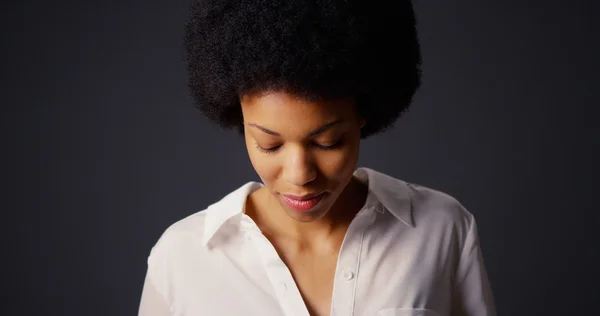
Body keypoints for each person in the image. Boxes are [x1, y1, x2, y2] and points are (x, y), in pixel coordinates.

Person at [138, 0, 497, 315]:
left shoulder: (442, 229)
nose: (300, 175)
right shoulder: (181, 257)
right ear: (239, 118)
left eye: (328, 142)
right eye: (269, 144)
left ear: (363, 116)